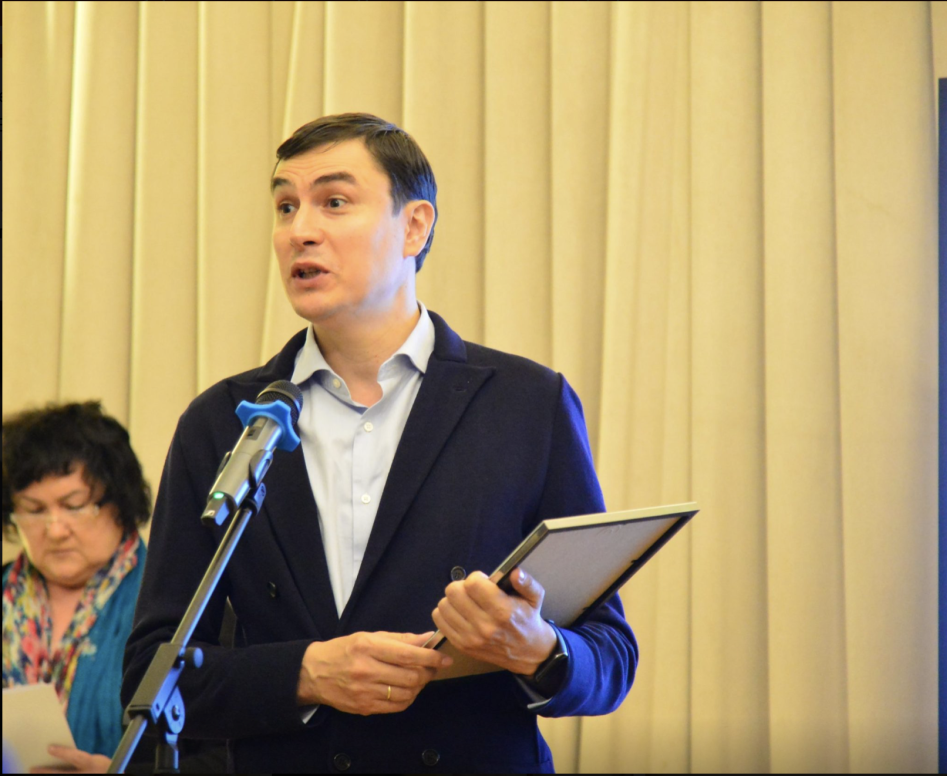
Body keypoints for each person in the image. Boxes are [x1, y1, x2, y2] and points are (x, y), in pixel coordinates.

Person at [122, 113, 637, 773]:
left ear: (414, 226)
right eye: (286, 206)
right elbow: (151, 672)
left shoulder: (527, 403)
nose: (300, 230)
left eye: (334, 202)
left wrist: (537, 648)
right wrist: (305, 673)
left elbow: (610, 658)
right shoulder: (224, 421)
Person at [2, 402, 151, 773]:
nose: (55, 530)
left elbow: (223, 756)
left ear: (120, 503)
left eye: (74, 505)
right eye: (34, 510)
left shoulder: (171, 600)